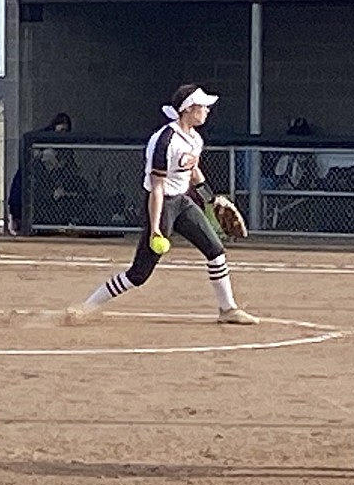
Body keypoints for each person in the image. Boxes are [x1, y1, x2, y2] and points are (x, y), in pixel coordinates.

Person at [67, 84, 259, 325]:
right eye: (203, 106)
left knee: (216, 250)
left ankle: (228, 309)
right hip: (161, 205)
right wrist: (156, 227)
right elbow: (157, 187)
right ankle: (84, 308)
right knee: (138, 274)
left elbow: (193, 171)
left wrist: (212, 198)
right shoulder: (165, 141)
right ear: (189, 109)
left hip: (182, 202)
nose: (208, 110)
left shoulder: (195, 139)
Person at [7, 112, 72, 235]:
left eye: (65, 130)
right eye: (61, 129)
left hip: (48, 183)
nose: (63, 133)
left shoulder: (65, 148)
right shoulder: (42, 138)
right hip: (35, 180)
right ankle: (18, 220)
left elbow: (65, 166)